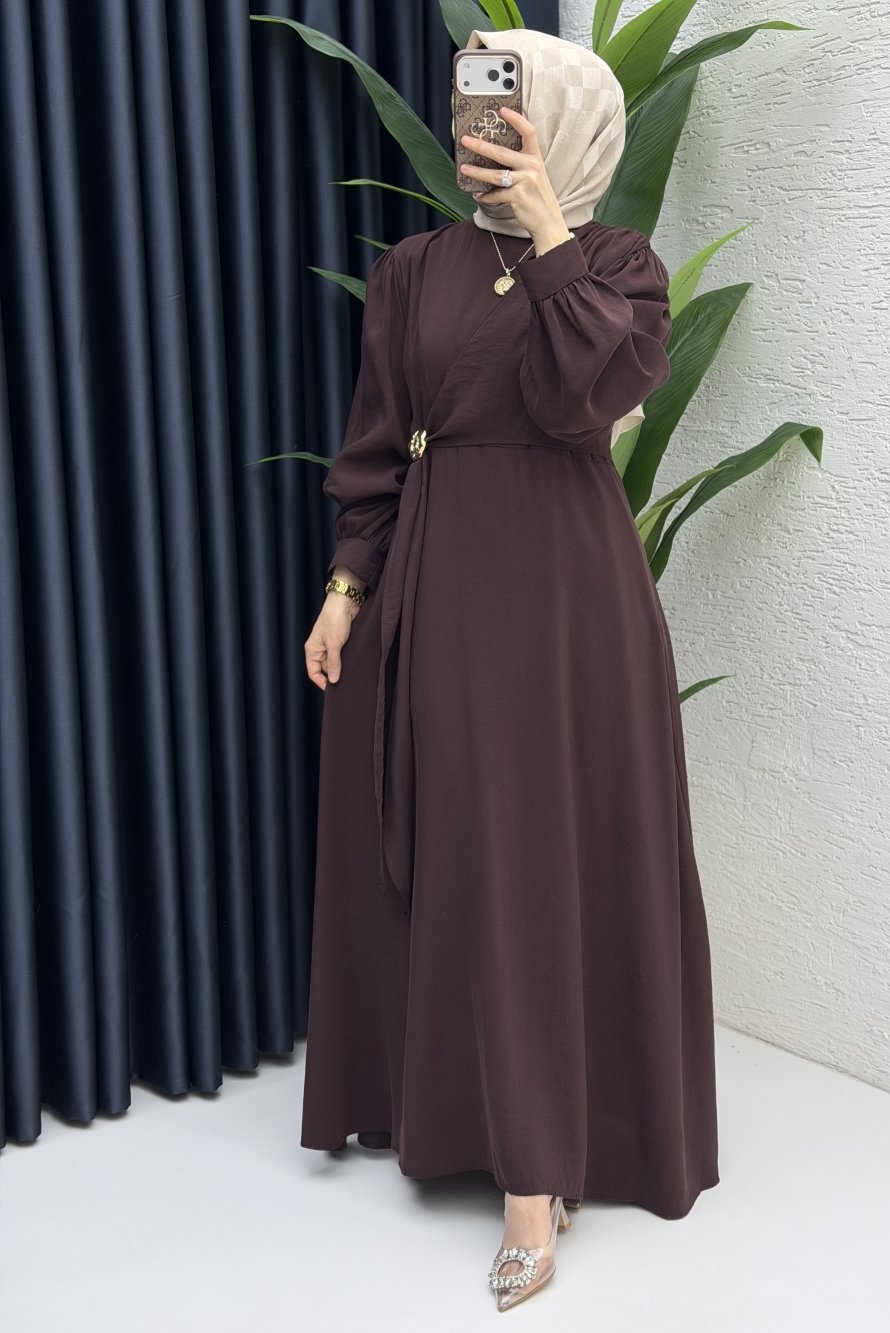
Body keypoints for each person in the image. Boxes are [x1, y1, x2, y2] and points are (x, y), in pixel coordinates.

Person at [301, 27, 720, 1313]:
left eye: (507, 101)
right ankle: (450, 1110)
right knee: (462, 847)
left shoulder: (615, 267)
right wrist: (346, 587)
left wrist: (546, 233)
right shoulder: (413, 268)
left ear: (567, 121)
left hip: (565, 606)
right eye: (470, 101)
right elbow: (381, 441)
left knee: (542, 857)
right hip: (435, 589)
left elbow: (586, 397)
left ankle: (540, 1174)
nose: (477, 123)